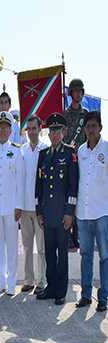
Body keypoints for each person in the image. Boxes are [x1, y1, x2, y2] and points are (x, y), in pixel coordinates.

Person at [36, 113, 78, 306]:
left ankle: (61, 291)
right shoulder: (43, 155)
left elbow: (73, 186)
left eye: (57, 131)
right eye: (51, 131)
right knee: (50, 253)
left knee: (62, 254)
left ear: (63, 132)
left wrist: (70, 211)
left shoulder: (70, 154)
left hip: (63, 215)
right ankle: (51, 288)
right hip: (48, 213)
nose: (54, 135)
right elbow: (39, 186)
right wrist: (39, 211)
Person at [0, 112, 24, 296]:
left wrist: (19, 206)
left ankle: (12, 281)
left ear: (10, 131)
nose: (2, 131)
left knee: (12, 246)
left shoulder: (17, 151)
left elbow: (20, 181)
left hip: (10, 207)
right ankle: (2, 279)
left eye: (5, 128)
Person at [75, 110, 108, 312]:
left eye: (94, 126)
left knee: (105, 256)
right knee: (85, 255)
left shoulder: (107, 149)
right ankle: (86, 295)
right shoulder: (80, 151)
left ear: (100, 128)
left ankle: (103, 296)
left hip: (102, 211)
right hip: (83, 213)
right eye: (88, 126)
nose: (90, 129)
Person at [20, 115, 47, 294]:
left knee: (42, 247)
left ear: (40, 129)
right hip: (24, 206)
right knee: (27, 246)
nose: (31, 132)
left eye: (34, 128)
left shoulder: (45, 149)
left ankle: (42, 281)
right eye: (28, 129)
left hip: (40, 208)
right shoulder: (21, 150)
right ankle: (28, 279)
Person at [65, 78, 89, 249]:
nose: (79, 93)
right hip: (69, 160)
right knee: (70, 195)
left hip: (83, 160)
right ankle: (68, 232)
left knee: (80, 195)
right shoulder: (65, 114)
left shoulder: (86, 114)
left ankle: (77, 233)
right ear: (70, 93)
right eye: (76, 91)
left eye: (81, 91)